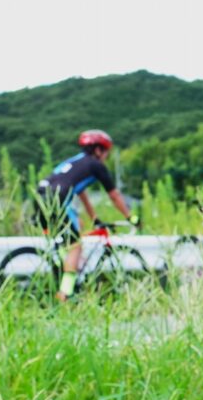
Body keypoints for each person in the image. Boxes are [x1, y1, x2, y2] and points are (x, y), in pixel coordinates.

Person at [34, 129, 135, 302]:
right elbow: (114, 195)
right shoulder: (96, 166)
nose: (106, 157)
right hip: (57, 203)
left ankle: (65, 274)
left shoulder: (75, 162)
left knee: (77, 225)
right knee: (75, 246)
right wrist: (131, 218)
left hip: (40, 199)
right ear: (98, 150)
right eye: (106, 153)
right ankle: (65, 294)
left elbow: (81, 192)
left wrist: (94, 217)